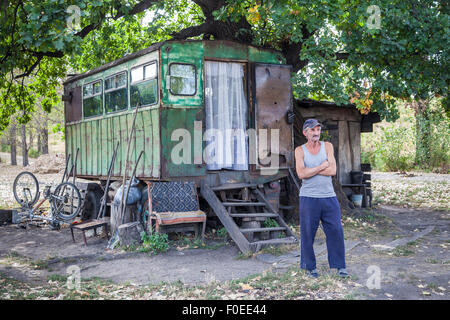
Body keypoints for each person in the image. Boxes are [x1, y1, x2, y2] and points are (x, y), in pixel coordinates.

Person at [295, 118, 348, 278]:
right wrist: (321, 166)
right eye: (312, 130)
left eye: (318, 129)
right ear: (305, 133)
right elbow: (301, 174)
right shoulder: (300, 150)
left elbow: (332, 171)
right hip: (308, 198)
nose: (316, 133)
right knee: (307, 233)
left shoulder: (327, 146)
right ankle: (309, 267)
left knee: (336, 231)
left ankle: (340, 266)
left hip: (328, 196)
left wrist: (311, 170)